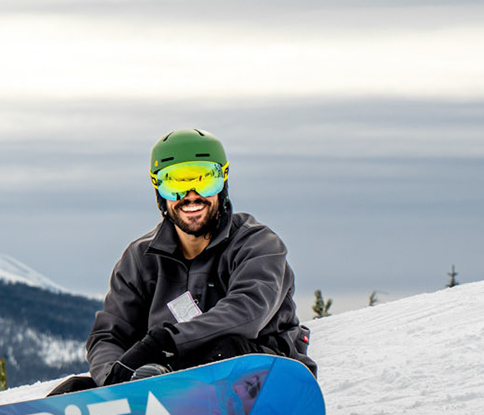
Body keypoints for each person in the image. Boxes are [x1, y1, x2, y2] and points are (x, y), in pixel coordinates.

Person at [46, 128, 314, 397]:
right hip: (176, 384)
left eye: (205, 180)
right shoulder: (140, 259)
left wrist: (164, 341)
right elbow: (109, 335)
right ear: (159, 191)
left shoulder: (258, 245)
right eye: (174, 184)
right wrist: (114, 378)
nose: (191, 195)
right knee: (74, 392)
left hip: (269, 377)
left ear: (223, 183)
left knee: (226, 350)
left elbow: (248, 312)